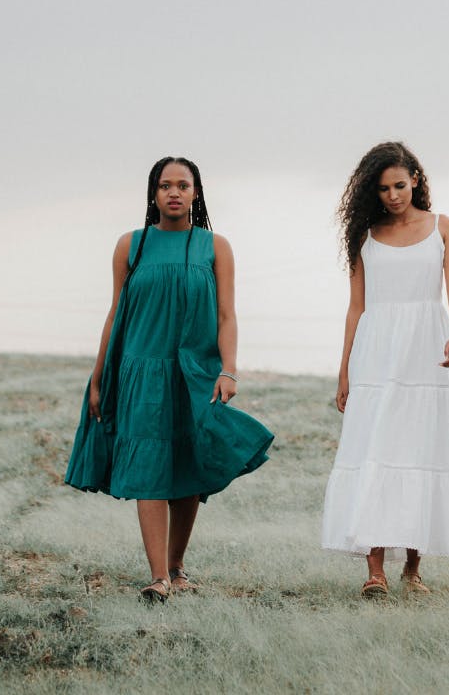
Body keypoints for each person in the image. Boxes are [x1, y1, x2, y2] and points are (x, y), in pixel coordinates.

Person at [65, 156, 274, 603]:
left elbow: (226, 314)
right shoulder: (131, 245)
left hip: (193, 372)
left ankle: (177, 568)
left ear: (196, 193)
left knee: (187, 469)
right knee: (148, 468)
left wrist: (228, 369)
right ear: (153, 194)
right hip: (139, 371)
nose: (174, 192)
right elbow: (116, 314)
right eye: (165, 186)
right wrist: (99, 377)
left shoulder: (215, 246)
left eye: (183, 185)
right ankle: (158, 576)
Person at [322, 141, 449, 597]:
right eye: (383, 189)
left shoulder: (443, 227)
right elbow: (355, 308)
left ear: (416, 181)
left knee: (421, 451)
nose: (392, 196)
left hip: (427, 349)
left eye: (400, 186)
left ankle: (412, 568)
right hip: (377, 351)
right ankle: (375, 570)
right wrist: (344, 371)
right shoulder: (364, 234)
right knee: (374, 449)